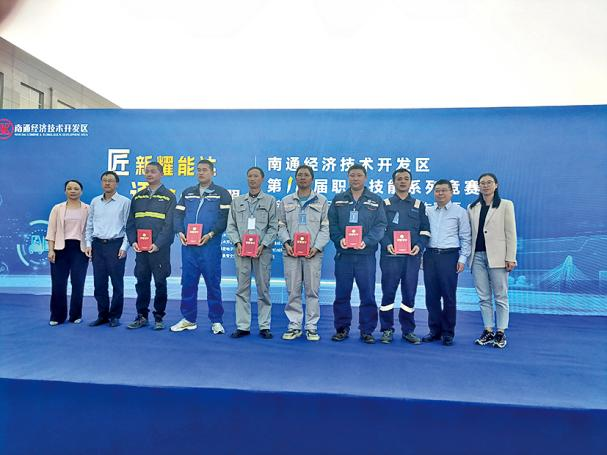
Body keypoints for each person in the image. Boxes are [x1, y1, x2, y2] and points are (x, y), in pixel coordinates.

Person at [170, 159, 232, 334]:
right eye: (198, 170)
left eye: (205, 170)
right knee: (188, 283)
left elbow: (224, 219)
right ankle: (189, 319)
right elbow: (178, 214)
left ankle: (216, 320)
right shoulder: (188, 192)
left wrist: (211, 234)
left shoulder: (222, 194)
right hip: (189, 248)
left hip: (209, 247)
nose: (201, 173)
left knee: (213, 284)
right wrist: (179, 232)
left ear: (212, 172)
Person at [328, 164, 387, 344]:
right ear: (348, 177)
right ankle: (342, 328)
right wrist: (339, 239)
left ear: (365, 178)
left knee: (368, 294)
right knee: (341, 294)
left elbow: (381, 225)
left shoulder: (375, 200)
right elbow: (332, 224)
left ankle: (367, 330)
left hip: (365, 256)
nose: (355, 178)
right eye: (352, 175)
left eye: (359, 175)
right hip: (344, 256)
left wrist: (366, 241)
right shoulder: (339, 199)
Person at [278, 165, 330, 341]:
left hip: (312, 254)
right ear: (295, 178)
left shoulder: (321, 201)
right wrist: (286, 242)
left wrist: (317, 247)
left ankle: (311, 326)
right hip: (291, 253)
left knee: (312, 290)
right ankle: (294, 325)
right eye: (299, 175)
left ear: (312, 179)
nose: (302, 177)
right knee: (293, 290)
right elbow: (280, 224)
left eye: (306, 175)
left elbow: (325, 227)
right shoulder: (286, 200)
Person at [379, 168, 431, 344]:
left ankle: (408, 330)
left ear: (410, 182)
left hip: (411, 258)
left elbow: (425, 230)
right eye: (399, 179)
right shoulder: (385, 204)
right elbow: (380, 229)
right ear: (393, 182)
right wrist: (387, 244)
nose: (402, 181)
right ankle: (386, 329)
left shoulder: (418, 205)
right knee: (388, 293)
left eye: (406, 178)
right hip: (390, 258)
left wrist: (419, 246)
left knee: (409, 294)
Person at [226, 166, 278, 339]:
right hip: (242, 251)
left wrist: (264, 244)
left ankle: (264, 326)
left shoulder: (270, 201)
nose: (252, 179)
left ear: (262, 179)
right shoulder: (237, 201)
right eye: (249, 176)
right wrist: (237, 243)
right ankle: (243, 326)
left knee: (263, 289)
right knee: (242, 289)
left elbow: (274, 227)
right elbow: (231, 226)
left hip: (262, 251)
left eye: (256, 176)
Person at [468, 173, 517, 349]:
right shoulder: (472, 207)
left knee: (501, 296)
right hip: (477, 256)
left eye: (489, 182)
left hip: (498, 257)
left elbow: (511, 233)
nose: (486, 185)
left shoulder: (506, 205)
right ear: (478, 186)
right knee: (483, 297)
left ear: (496, 185)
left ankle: (501, 331)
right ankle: (488, 330)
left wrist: (510, 257)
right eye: (482, 183)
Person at [125, 162, 176, 330]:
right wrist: (133, 241)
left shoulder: (169, 197)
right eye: (146, 171)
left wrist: (158, 244)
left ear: (161, 174)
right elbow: (130, 223)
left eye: (153, 171)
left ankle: (159, 317)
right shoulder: (138, 197)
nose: (149, 174)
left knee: (160, 283)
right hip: (141, 250)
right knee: (141, 282)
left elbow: (169, 225)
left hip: (159, 250)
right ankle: (141, 316)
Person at [422, 179, 471, 346]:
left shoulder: (460, 212)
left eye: (444, 190)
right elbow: (422, 234)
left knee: (449, 296)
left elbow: (466, 237)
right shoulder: (427, 211)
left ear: (451, 192)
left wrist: (462, 258)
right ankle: (434, 331)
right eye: (437, 190)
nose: (440, 193)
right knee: (431, 296)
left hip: (449, 256)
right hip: (430, 256)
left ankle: (448, 332)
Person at [85, 171, 131, 328]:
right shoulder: (95, 201)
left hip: (115, 246)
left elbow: (129, 227)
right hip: (97, 246)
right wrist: (88, 244)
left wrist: (124, 247)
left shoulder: (124, 202)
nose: (107, 183)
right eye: (104, 180)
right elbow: (89, 224)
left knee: (117, 283)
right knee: (99, 284)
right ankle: (102, 315)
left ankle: (115, 316)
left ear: (116, 183)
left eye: (110, 180)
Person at [46, 180, 89, 326]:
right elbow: (51, 230)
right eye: (69, 188)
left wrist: (90, 248)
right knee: (58, 284)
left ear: (81, 191)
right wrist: (51, 249)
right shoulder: (57, 208)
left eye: (76, 188)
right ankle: (57, 316)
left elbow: (91, 231)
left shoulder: (88, 208)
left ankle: (76, 315)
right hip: (60, 249)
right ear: (65, 191)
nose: (73, 191)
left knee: (78, 283)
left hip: (80, 250)